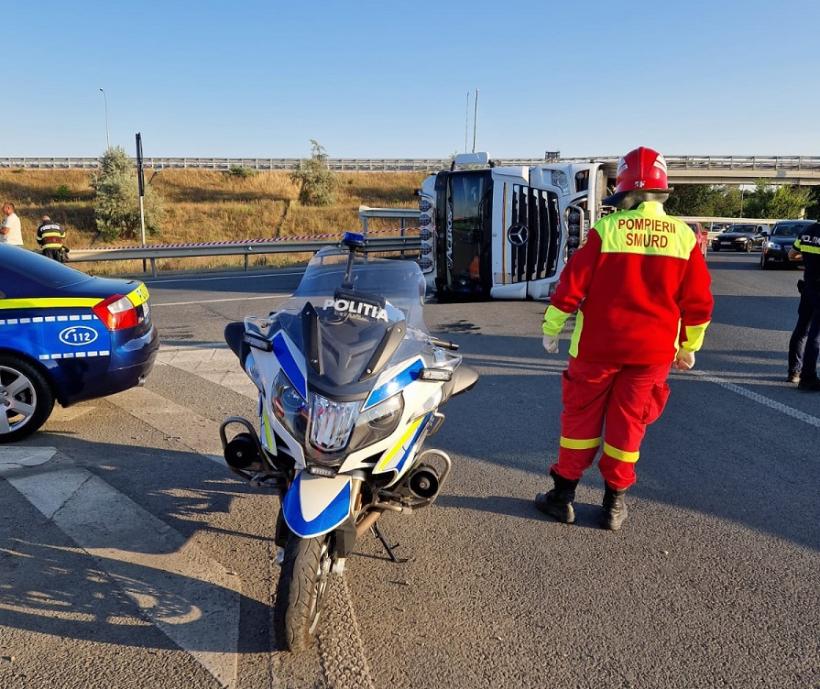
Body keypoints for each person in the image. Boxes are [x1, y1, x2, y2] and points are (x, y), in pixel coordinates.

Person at [535, 146, 714, 530]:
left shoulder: (607, 230)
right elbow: (698, 303)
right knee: (628, 426)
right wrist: (689, 347)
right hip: (651, 354)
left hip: (597, 348)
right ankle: (613, 504)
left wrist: (552, 327)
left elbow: (571, 286)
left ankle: (563, 496)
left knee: (580, 419)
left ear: (629, 192)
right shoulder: (685, 238)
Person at [789, 222, 820, 392]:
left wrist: (807, 258)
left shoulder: (807, 231)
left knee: (801, 330)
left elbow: (792, 255)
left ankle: (794, 372)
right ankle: (808, 378)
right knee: (815, 335)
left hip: (808, 287)